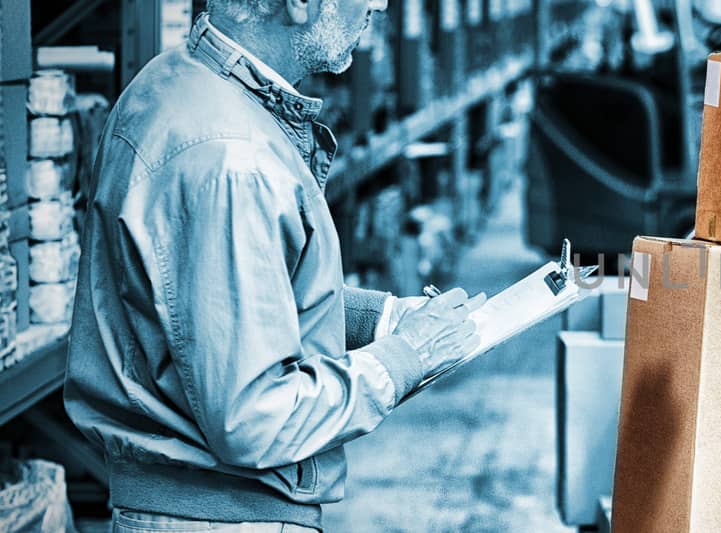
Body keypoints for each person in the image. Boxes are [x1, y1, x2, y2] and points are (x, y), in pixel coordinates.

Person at [65, 1, 484, 531]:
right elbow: (255, 419)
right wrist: (404, 359)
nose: (380, 4)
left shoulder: (174, 81)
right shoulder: (230, 160)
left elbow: (222, 296)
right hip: (219, 518)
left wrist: (381, 319)